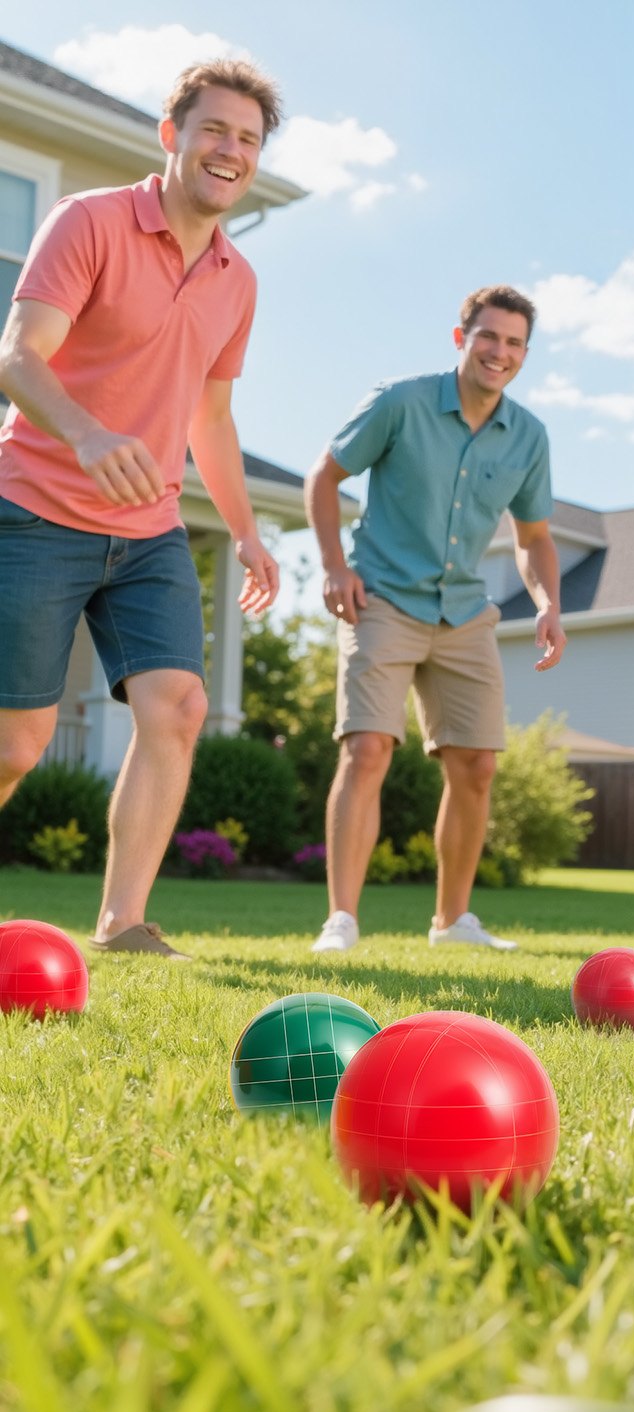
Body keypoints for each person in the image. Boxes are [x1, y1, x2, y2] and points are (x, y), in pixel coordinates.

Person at [0, 59, 283, 960]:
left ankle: (123, 925)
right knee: (17, 743)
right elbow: (18, 357)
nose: (230, 150)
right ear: (173, 136)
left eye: (248, 139)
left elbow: (212, 418)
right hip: (38, 509)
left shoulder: (237, 279)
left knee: (180, 705)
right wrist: (86, 435)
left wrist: (244, 531)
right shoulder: (89, 221)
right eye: (215, 130)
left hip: (151, 530)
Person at [304, 285, 566, 954]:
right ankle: (342, 920)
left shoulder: (528, 436)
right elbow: (323, 479)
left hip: (463, 610)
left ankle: (452, 923)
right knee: (368, 749)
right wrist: (335, 567)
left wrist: (547, 604)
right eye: (488, 337)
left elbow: (534, 537)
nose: (498, 352)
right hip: (383, 597)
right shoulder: (401, 402)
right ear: (461, 338)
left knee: (477, 765)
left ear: (524, 355)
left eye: (513, 343)